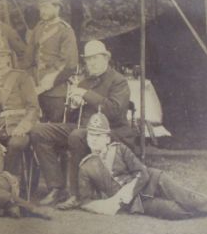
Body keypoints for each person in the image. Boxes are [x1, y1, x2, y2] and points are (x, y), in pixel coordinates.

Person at [30, 40, 133, 208]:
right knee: (39, 131)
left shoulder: (118, 81)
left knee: (76, 135)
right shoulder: (84, 82)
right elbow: (74, 118)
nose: (90, 63)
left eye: (95, 59)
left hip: (109, 132)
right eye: (88, 59)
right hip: (81, 129)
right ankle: (56, 187)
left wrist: (86, 94)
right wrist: (72, 106)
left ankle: (76, 194)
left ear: (106, 58)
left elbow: (115, 111)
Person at [75, 113, 207, 220]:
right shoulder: (86, 167)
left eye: (98, 135)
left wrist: (124, 194)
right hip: (138, 202)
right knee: (174, 212)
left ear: (107, 139)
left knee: (186, 197)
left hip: (153, 180)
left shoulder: (119, 149)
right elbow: (85, 201)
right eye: (90, 135)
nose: (93, 139)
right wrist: (107, 205)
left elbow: (142, 172)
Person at [0, 35, 39, 177]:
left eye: (2, 56)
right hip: (0, 128)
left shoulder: (22, 77)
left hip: (22, 127)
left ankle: (10, 180)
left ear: (8, 58)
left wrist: (23, 126)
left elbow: (33, 107)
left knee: (16, 144)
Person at [19, 0, 78, 123]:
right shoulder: (38, 28)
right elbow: (28, 60)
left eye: (46, 7)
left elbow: (69, 64)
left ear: (57, 7)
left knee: (53, 132)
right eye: (41, 7)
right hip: (35, 90)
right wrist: (30, 82)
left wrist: (47, 83)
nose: (42, 11)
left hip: (56, 93)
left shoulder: (66, 31)